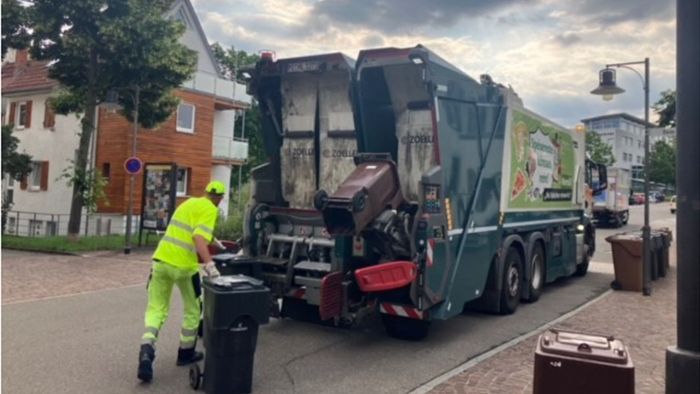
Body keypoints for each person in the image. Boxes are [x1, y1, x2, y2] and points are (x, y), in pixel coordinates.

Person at [137, 180, 226, 382]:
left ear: (205, 192)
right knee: (193, 308)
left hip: (160, 261)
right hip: (184, 268)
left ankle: (146, 351)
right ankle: (185, 353)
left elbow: (190, 230)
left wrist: (215, 241)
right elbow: (197, 237)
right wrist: (210, 266)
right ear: (219, 198)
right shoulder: (211, 210)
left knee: (156, 310)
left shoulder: (189, 203)